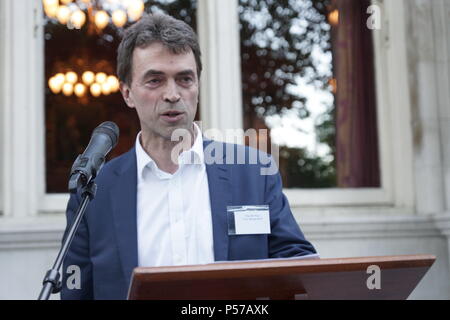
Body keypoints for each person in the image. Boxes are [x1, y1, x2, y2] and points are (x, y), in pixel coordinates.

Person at [61, 12, 316, 300]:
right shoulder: (95, 189)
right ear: (127, 93)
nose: (173, 94)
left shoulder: (253, 171)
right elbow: (76, 289)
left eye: (184, 79)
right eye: (155, 80)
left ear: (197, 85)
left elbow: (298, 269)